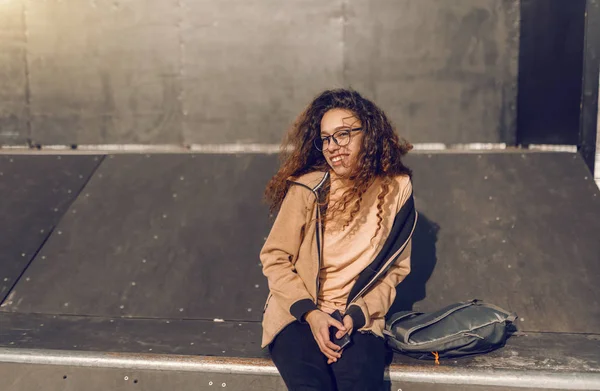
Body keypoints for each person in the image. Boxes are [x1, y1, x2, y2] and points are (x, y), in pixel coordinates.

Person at [260, 89, 417, 390]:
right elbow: (275, 258)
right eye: (327, 138)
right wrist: (312, 314)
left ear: (368, 134)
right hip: (299, 314)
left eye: (343, 134)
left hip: (357, 318)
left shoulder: (398, 190)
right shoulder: (309, 189)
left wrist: (359, 315)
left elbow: (395, 270)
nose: (333, 147)